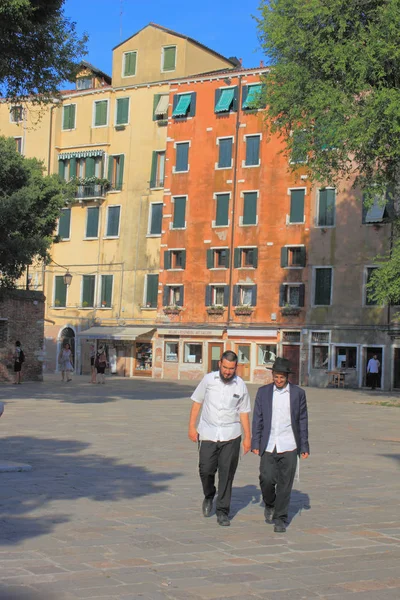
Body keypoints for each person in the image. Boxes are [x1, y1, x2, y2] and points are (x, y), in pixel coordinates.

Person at [188, 350, 251, 527]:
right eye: (225, 367)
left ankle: (223, 511)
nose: (227, 372)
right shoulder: (208, 380)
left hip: (231, 435)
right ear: (219, 365)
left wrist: (248, 438)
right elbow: (197, 402)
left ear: (235, 367)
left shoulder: (240, 385)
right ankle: (209, 495)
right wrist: (191, 427)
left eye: (231, 369)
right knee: (205, 469)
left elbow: (244, 412)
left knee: (226, 473)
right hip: (207, 433)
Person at [251, 357, 309, 533]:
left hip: (289, 444)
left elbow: (302, 421)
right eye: (276, 377)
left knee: (285, 483)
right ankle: (270, 503)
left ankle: (280, 518)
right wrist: (255, 442)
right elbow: (257, 419)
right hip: (268, 444)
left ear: (287, 377)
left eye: (281, 377)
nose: (278, 380)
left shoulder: (298, 394)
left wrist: (304, 446)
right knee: (266, 479)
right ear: (273, 375)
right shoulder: (263, 393)